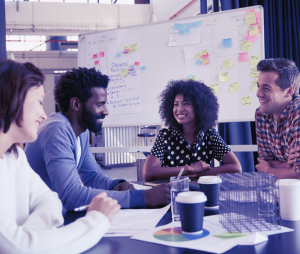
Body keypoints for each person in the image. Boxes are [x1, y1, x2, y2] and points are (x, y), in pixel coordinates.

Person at [0, 59, 120, 253]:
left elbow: (52, 201)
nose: (43, 114)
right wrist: (97, 220)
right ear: (11, 100)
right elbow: (20, 248)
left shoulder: (14, 157)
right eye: (39, 103)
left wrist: (29, 236)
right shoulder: (56, 129)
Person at [25, 67, 170, 211]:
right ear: (76, 104)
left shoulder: (79, 131)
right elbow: (71, 196)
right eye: (100, 104)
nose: (106, 111)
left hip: (50, 214)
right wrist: (144, 198)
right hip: (34, 221)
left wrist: (116, 184)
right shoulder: (57, 129)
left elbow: (92, 175)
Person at [143, 79, 242, 181]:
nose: (179, 109)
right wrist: (190, 168)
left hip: (202, 193)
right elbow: (148, 173)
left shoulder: (209, 134)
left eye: (186, 103)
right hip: (174, 192)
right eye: (176, 104)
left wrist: (196, 174)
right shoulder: (165, 136)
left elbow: (236, 168)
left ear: (200, 107)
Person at [255, 58, 300, 179]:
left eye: (266, 88)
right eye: (258, 86)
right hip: (281, 190)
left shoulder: (298, 112)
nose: (258, 93)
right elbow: (263, 162)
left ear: (289, 91)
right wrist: (288, 166)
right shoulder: (261, 114)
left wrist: (269, 169)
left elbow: (299, 173)